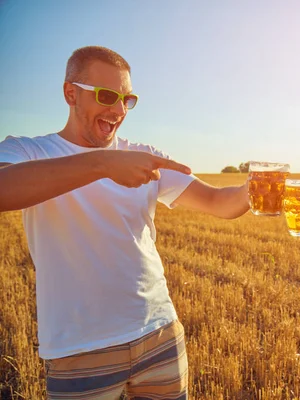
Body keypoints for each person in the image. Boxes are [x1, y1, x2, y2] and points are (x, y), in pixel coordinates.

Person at [0, 46, 249, 400]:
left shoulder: (142, 156)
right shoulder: (29, 151)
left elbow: (217, 202)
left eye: (126, 100)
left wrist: (253, 191)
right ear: (71, 93)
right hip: (79, 351)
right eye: (106, 96)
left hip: (159, 335)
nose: (118, 110)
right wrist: (102, 164)